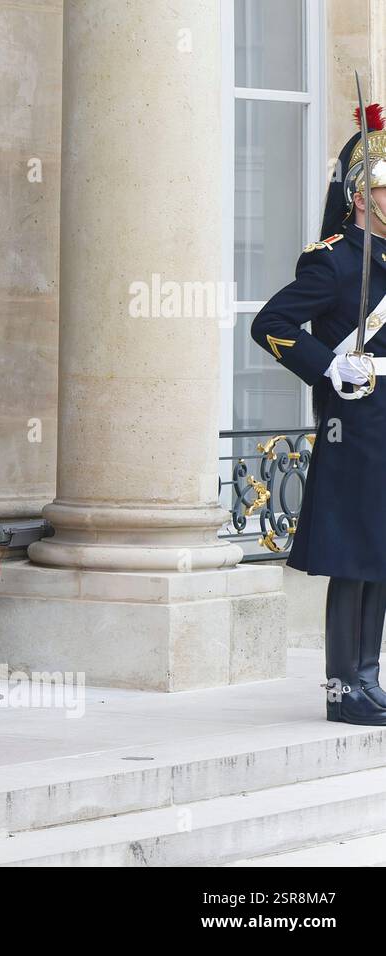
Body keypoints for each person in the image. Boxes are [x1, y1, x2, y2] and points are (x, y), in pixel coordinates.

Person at [252, 105, 386, 727]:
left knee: (381, 554)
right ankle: (342, 691)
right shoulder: (332, 261)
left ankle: (369, 677)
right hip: (353, 423)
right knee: (354, 556)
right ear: (361, 196)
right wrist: (329, 368)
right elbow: (271, 323)